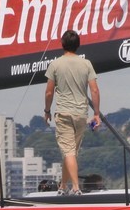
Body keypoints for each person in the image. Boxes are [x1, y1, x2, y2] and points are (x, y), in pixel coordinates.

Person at [43, 29, 101, 195]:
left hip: (63, 113)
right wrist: (96, 113)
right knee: (71, 153)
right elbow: (94, 90)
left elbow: (49, 92)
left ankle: (75, 188)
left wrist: (47, 110)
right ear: (78, 45)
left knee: (68, 152)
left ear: (62, 44)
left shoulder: (55, 64)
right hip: (81, 114)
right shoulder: (86, 64)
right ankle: (62, 186)